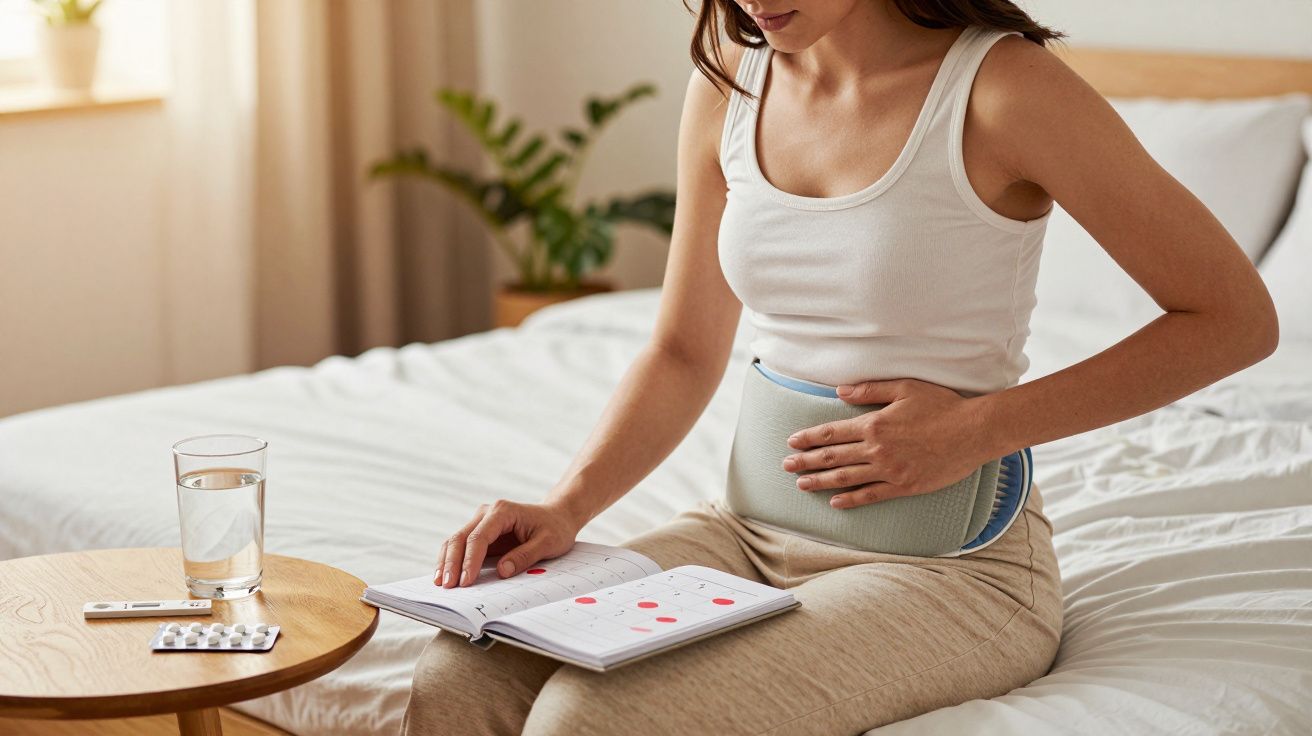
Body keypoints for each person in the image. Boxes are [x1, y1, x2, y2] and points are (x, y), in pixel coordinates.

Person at [400, 1, 1279, 734]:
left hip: (949, 568)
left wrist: (975, 428)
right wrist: (567, 505)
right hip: (745, 533)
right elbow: (682, 349)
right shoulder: (731, 85)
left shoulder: (1005, 89)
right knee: (459, 677)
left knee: (587, 719)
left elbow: (1233, 319)